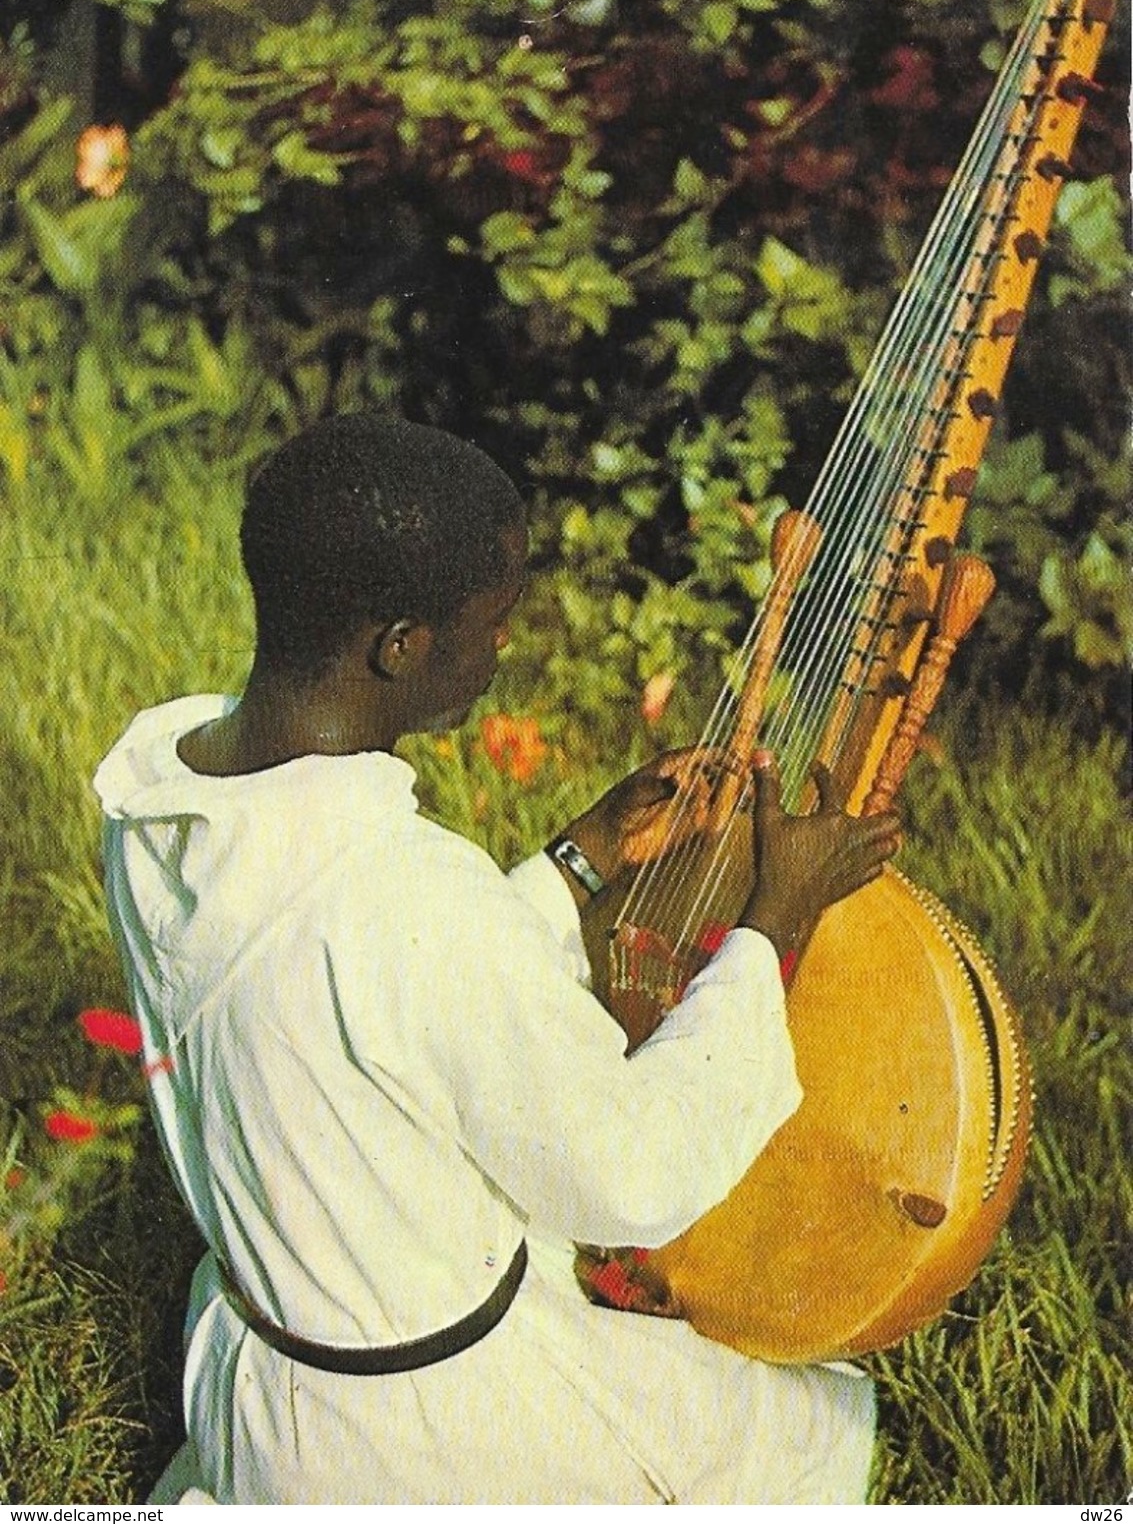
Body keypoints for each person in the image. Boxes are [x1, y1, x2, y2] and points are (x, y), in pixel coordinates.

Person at [95, 411, 901, 1505]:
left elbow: (370, 1003)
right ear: (398, 647)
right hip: (421, 1436)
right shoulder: (403, 893)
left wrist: (583, 854)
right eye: (494, 620)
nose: (504, 648)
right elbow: (630, 1178)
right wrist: (773, 921)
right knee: (818, 1425)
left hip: (265, 1379)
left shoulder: (162, 790)